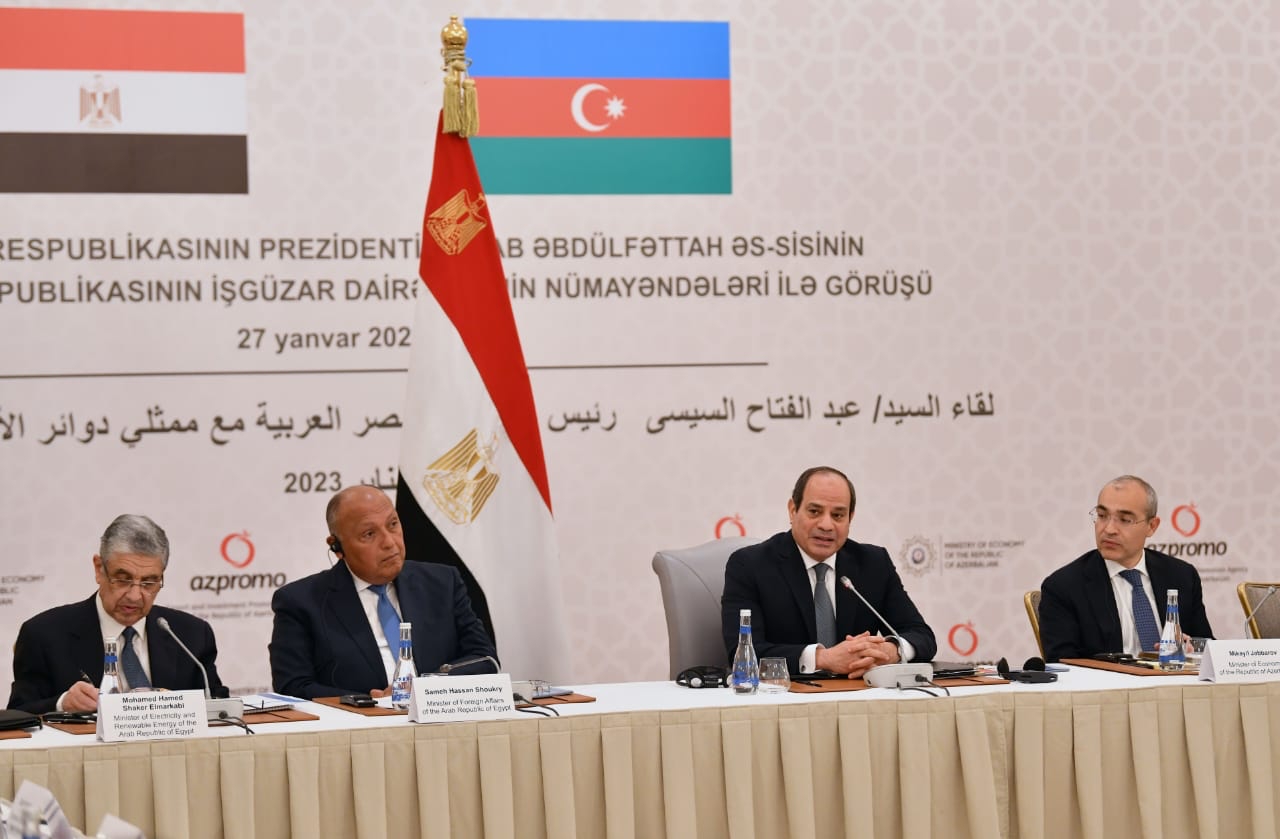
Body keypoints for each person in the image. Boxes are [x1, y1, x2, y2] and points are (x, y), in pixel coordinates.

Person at [269, 485, 498, 698]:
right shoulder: (300, 602)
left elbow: (484, 659)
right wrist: (368, 703)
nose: (389, 542)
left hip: (440, 718)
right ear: (337, 546)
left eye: (393, 524)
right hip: (357, 724)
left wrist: (426, 688)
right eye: (369, 534)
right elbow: (292, 686)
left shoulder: (442, 583)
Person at [721, 466, 936, 677]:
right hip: (788, 694)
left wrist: (890, 651)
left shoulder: (873, 564)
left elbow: (922, 636)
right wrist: (823, 658)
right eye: (814, 512)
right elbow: (743, 654)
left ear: (850, 518)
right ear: (793, 510)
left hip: (857, 693)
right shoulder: (750, 566)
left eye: (838, 515)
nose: (826, 525)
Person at [7, 514, 226, 715]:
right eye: (123, 579)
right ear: (98, 569)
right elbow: (18, 713)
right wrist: (62, 703)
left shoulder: (192, 635)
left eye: (149, 582)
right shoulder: (44, 635)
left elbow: (219, 706)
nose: (134, 596)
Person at [1039, 475, 1213, 662]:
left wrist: (1192, 648)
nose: (1109, 529)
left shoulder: (1182, 576)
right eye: (1102, 516)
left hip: (1175, 680)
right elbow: (1063, 664)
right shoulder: (1064, 587)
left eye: (1124, 519)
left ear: (1151, 526)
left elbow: (1207, 647)